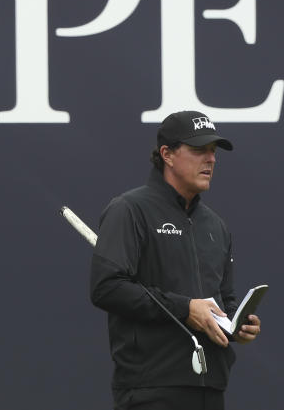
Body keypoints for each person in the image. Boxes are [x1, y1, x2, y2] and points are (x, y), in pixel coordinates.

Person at [90, 110, 261, 410]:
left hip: (211, 389)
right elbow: (107, 287)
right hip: (151, 389)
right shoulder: (129, 210)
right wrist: (185, 308)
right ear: (167, 154)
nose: (211, 159)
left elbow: (225, 298)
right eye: (199, 150)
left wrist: (236, 324)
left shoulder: (216, 225)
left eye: (213, 151)